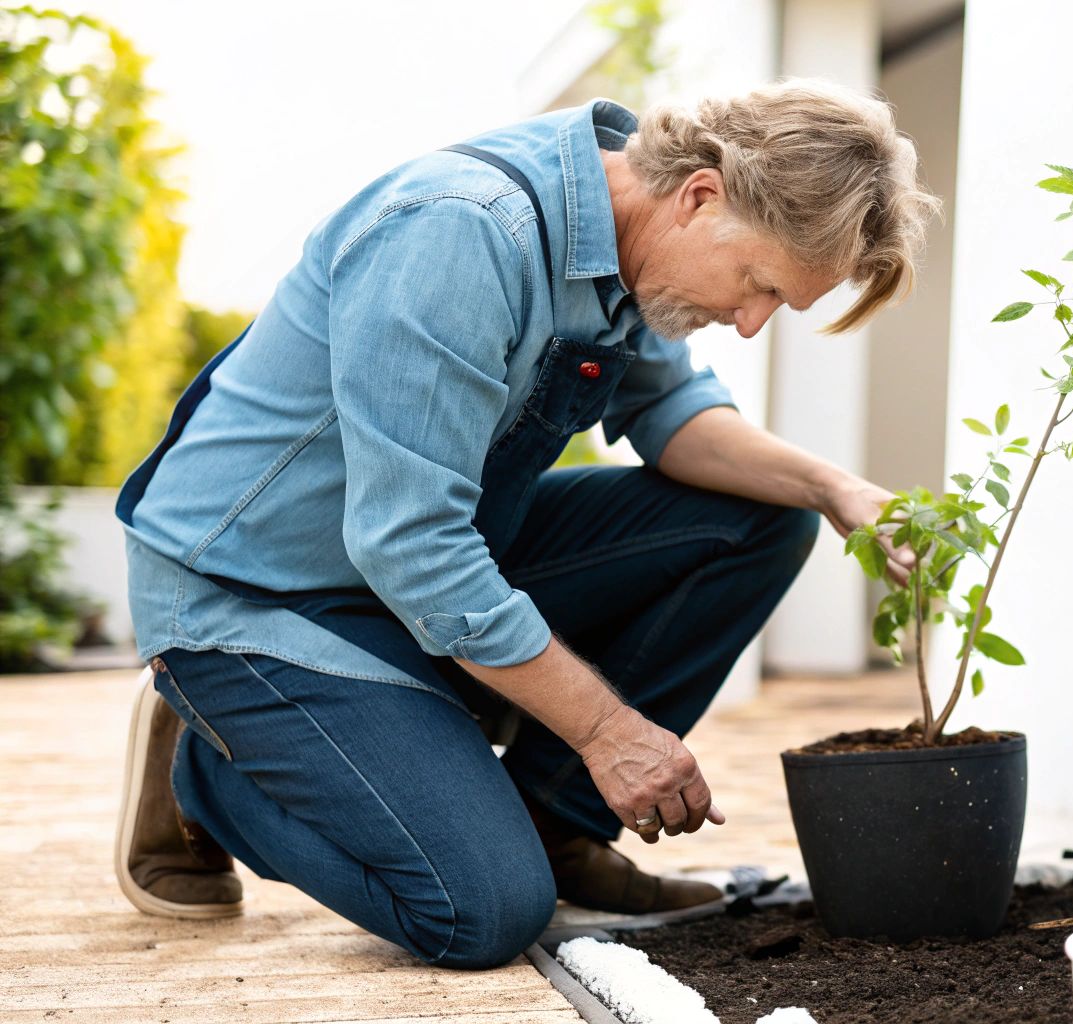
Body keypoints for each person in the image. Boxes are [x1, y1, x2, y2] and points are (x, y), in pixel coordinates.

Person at [111, 79, 936, 969]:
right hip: (261, 598)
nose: (745, 325)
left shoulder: (631, 230)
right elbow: (413, 546)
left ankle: (553, 823)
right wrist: (607, 734)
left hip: (415, 563)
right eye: (758, 286)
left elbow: (674, 418)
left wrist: (836, 490)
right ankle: (211, 760)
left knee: (766, 520)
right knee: (483, 912)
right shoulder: (460, 232)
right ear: (702, 194)